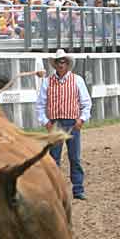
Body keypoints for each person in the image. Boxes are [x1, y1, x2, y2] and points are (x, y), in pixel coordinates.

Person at [36, 49, 92, 200]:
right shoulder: (48, 82)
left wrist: (82, 119)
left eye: (63, 62)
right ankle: (54, 190)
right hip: (55, 123)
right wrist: (46, 122)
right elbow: (40, 104)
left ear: (67, 64)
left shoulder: (77, 80)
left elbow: (86, 102)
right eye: (58, 62)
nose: (61, 64)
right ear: (55, 65)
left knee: (74, 158)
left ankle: (78, 189)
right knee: (54, 158)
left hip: (72, 123)